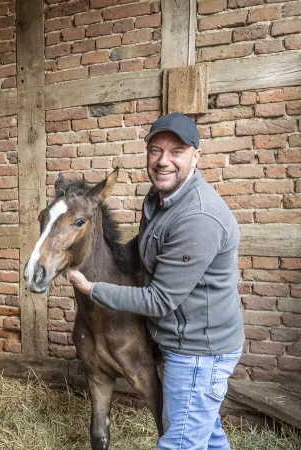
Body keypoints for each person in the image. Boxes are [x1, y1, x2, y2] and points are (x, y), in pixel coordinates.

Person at [68, 113, 245, 450]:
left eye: (176, 151)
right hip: (186, 340)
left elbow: (160, 301)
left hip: (198, 352)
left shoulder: (198, 217)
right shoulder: (160, 199)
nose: (163, 161)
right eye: (155, 150)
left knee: (179, 442)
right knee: (206, 435)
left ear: (196, 156)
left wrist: (93, 288)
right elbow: (146, 246)